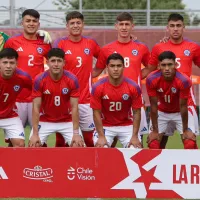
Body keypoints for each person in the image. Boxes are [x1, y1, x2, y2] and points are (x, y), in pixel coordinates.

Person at [92, 12, 150, 144]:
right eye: (121, 24)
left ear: (132, 26)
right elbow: (97, 71)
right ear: (116, 26)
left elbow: (151, 66)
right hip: (111, 100)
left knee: (137, 141)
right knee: (107, 143)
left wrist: (139, 75)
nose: (124, 27)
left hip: (134, 98)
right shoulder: (106, 49)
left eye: (127, 24)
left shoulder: (141, 47)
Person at [147, 13, 200, 148]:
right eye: (172, 26)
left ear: (184, 27)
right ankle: (160, 169)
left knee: (190, 142)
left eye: (178, 26)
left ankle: (194, 168)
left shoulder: (193, 47)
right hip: (163, 101)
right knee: (156, 143)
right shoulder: (159, 47)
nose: (175, 29)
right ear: (167, 28)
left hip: (186, 100)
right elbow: (149, 69)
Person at [53, 11, 100, 147]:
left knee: (89, 139)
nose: (75, 25)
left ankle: (91, 167)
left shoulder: (90, 43)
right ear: (67, 26)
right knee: (61, 140)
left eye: (78, 23)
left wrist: (94, 73)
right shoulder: (60, 43)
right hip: (65, 99)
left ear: (83, 25)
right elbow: (53, 62)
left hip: (86, 99)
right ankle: (60, 167)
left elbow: (103, 58)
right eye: (72, 23)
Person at [4, 9, 52, 130]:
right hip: (16, 97)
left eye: (34, 21)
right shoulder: (12, 42)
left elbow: (55, 63)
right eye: (28, 21)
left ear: (38, 24)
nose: (31, 23)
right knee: (14, 139)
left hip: (37, 97)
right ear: (22, 23)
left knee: (39, 139)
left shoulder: (45, 43)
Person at [29, 48, 85, 147]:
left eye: (59, 61)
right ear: (48, 62)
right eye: (53, 61)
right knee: (34, 145)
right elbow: (36, 107)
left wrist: (76, 134)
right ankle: (41, 163)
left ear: (64, 63)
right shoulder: (39, 79)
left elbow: (75, 107)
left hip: (67, 120)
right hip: (45, 119)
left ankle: (71, 163)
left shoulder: (72, 80)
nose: (56, 64)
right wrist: (35, 134)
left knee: (78, 145)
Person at [146, 51, 197, 149]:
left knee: (190, 143)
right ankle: (160, 164)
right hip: (162, 111)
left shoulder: (184, 80)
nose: (167, 68)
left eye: (170, 65)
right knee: (153, 143)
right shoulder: (151, 79)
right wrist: (155, 131)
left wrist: (185, 129)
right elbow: (153, 105)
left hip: (180, 112)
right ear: (158, 66)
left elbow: (183, 106)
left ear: (176, 65)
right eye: (163, 65)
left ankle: (194, 163)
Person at [90, 53, 142, 148]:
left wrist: (134, 136)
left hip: (127, 125)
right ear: (107, 67)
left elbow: (137, 112)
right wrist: (101, 136)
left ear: (124, 67)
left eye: (119, 66)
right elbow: (96, 113)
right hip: (106, 126)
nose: (115, 69)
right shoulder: (98, 87)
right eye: (112, 66)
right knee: (101, 148)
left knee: (134, 148)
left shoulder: (133, 87)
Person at [0, 48, 32, 147]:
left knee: (20, 145)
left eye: (11, 63)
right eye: (5, 62)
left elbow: (37, 89)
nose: (8, 66)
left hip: (10, 115)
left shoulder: (23, 77)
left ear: (16, 63)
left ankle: (11, 163)